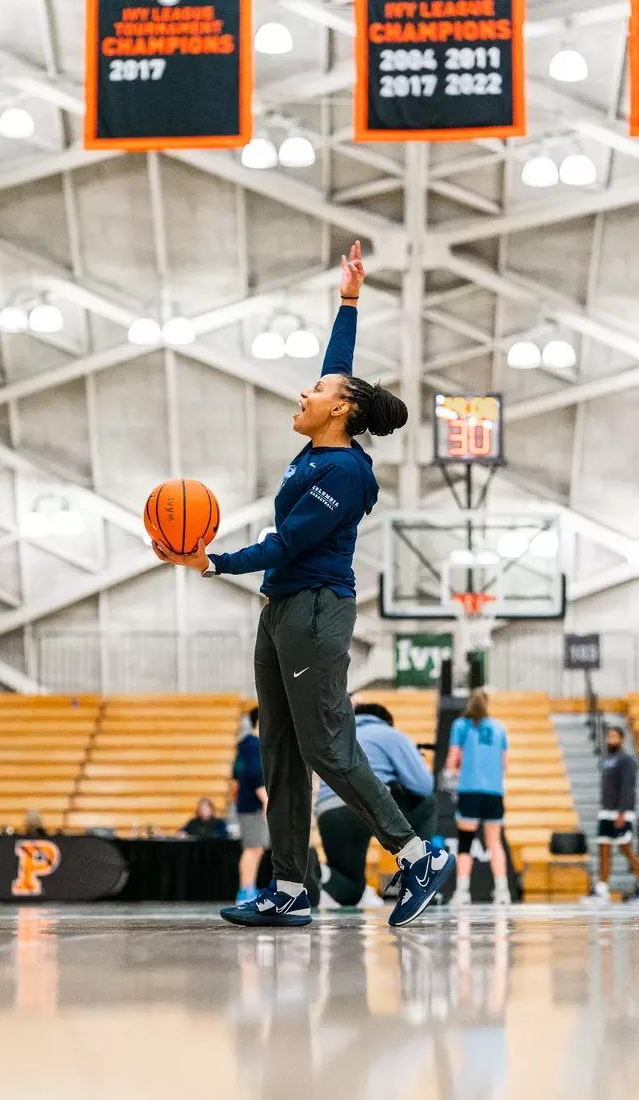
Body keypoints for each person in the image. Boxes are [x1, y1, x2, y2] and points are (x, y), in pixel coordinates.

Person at [153, 242, 455, 928]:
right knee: (280, 752)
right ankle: (289, 886)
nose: (305, 392)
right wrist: (349, 298)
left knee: (326, 745)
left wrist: (209, 563)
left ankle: (417, 855)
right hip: (282, 609)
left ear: (340, 412)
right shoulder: (319, 446)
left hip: (316, 612)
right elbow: (339, 365)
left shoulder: (344, 474)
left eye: (317, 393)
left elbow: (286, 544)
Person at [316, 702, 436, 907]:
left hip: (328, 811)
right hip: (367, 804)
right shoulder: (390, 735)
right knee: (428, 804)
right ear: (387, 721)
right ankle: (419, 878)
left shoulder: (337, 738)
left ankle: (315, 869)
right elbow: (423, 785)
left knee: (351, 890)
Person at [445, 689, 511, 907]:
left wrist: (458, 770)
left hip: (470, 790)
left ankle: (463, 892)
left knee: (465, 842)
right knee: (495, 843)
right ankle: (502, 891)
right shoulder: (499, 727)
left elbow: (452, 760)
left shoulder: (460, 726)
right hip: (494, 792)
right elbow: (505, 765)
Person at [591, 726, 639, 904]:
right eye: (608, 736)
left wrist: (622, 812)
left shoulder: (627, 760)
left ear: (622, 739)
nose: (610, 739)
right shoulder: (607, 759)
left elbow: (628, 787)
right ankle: (602, 889)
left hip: (621, 812)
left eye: (614, 736)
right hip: (606, 811)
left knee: (626, 849)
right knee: (604, 849)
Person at [233, 706, 269, 903]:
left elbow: (236, 774)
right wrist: (266, 800)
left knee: (256, 848)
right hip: (253, 805)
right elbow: (256, 775)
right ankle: (246, 890)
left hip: (248, 803)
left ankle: (249, 888)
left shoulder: (246, 744)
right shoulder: (254, 745)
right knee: (253, 848)